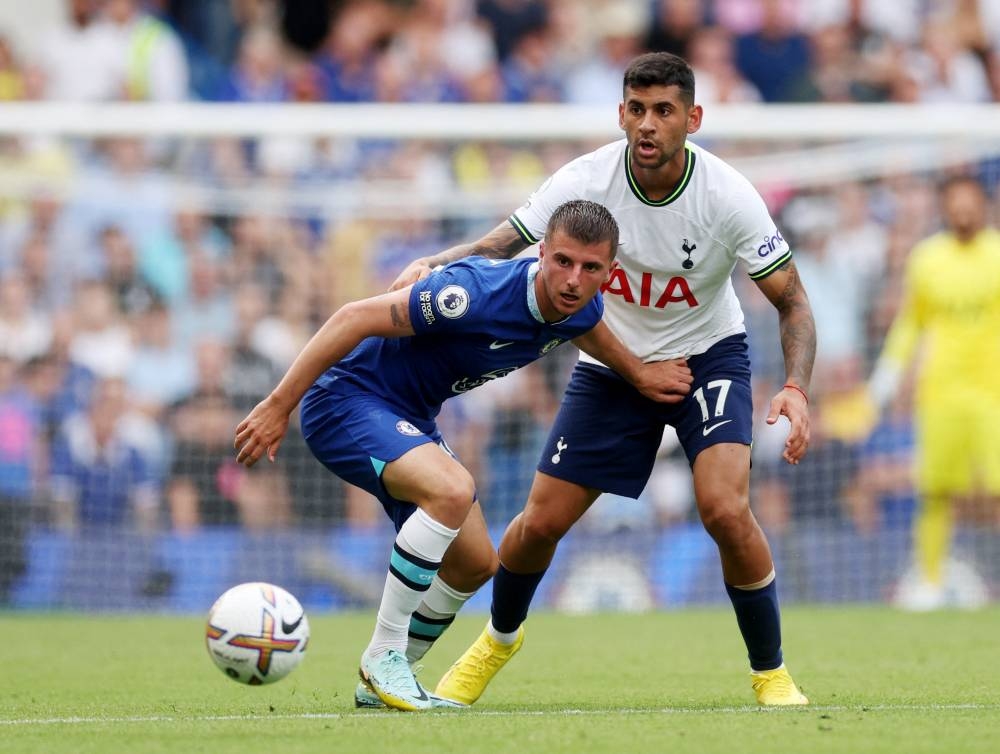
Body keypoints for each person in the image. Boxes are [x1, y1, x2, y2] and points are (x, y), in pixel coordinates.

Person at [391, 52, 816, 706]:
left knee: (725, 509)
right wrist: (434, 263)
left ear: (692, 118)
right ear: (621, 114)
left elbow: (791, 300)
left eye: (664, 111)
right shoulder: (585, 180)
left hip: (708, 354)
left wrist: (796, 386)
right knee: (537, 526)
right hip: (614, 361)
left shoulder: (727, 197)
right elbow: (499, 246)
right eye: (637, 110)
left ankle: (772, 674)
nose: (648, 125)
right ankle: (499, 641)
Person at [234, 200, 687, 711]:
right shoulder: (472, 294)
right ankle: (382, 655)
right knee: (452, 490)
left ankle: (385, 680)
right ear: (541, 253)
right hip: (346, 399)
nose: (573, 279)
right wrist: (278, 404)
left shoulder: (581, 306)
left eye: (590, 269)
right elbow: (352, 317)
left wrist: (639, 372)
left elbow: (589, 331)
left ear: (610, 273)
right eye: (562, 261)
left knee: (474, 563)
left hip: (409, 416)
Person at [868, 175, 1000, 610]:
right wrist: (888, 375)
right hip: (941, 390)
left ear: (983, 205)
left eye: (970, 202)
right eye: (955, 203)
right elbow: (912, 321)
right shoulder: (927, 259)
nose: (963, 210)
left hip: (992, 391)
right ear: (944, 208)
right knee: (936, 488)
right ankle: (928, 579)